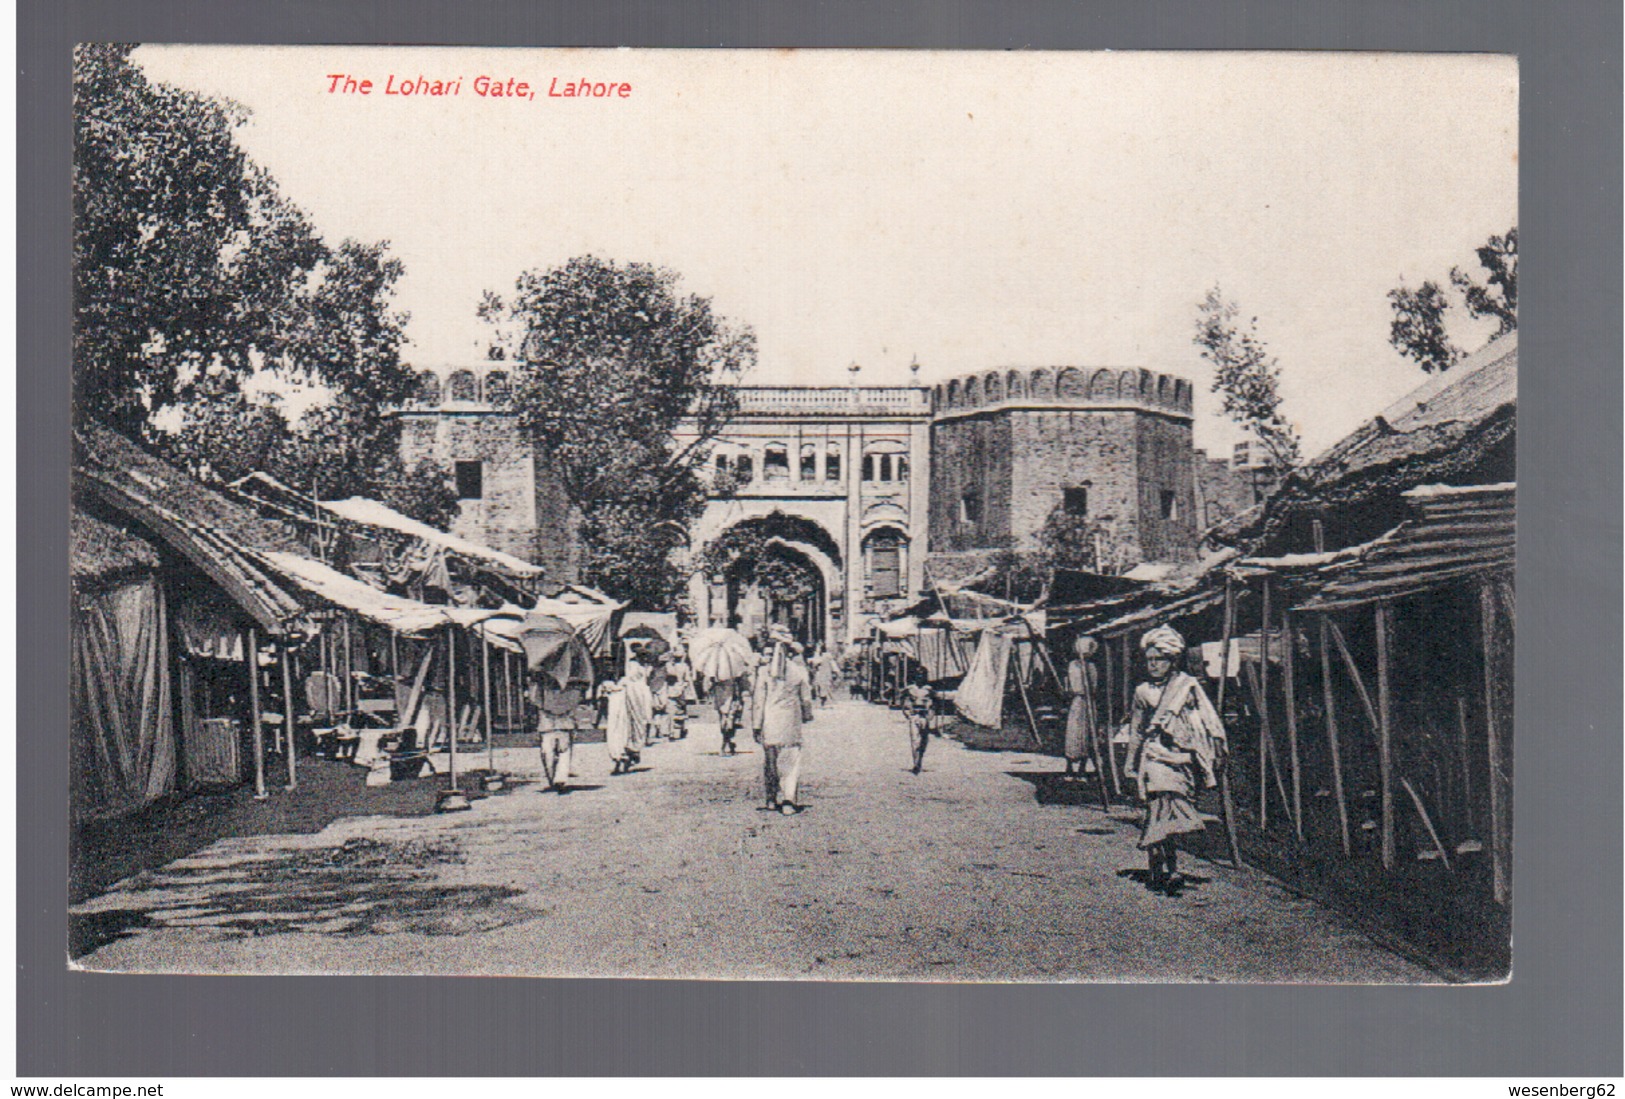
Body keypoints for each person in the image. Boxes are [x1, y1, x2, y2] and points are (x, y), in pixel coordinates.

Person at [1123, 625, 1228, 894]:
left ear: (1172, 660)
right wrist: (1130, 762)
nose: (1153, 665)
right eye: (1149, 660)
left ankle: (1161, 867)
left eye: (1158, 659)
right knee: (1160, 806)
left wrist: (1213, 747)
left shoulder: (1188, 686)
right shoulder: (1142, 691)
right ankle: (1171, 871)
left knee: (1166, 814)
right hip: (1155, 756)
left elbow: (1207, 720)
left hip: (1182, 759)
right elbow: (1136, 729)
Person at [752, 625, 815, 814]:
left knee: (770, 760)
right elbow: (806, 698)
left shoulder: (764, 672)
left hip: (770, 720)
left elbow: (758, 701)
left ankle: (771, 798)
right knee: (791, 759)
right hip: (791, 720)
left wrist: (756, 724)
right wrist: (807, 715)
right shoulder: (798, 671)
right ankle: (788, 799)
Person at [604, 656, 655, 775]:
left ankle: (627, 757)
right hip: (620, 713)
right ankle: (620, 759)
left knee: (629, 734)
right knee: (619, 734)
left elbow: (644, 711)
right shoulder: (623, 684)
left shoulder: (639, 686)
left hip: (631, 714)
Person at [533, 680, 585, 794]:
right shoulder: (541, 686)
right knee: (547, 753)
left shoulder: (571, 688)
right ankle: (552, 779)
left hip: (563, 724)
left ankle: (560, 780)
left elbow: (574, 704)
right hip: (548, 724)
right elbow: (535, 701)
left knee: (564, 752)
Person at [1063, 636, 1102, 781]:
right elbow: (1074, 686)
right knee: (1074, 732)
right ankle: (1070, 767)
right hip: (1078, 701)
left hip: (1088, 702)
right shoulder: (1073, 665)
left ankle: (1082, 769)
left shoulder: (1091, 667)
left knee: (1087, 734)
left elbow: (1093, 686)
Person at [901, 668, 936, 774]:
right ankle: (916, 763)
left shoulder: (929, 690)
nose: (920, 677)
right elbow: (905, 702)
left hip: (924, 716)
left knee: (924, 740)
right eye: (918, 675)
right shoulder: (910, 689)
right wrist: (908, 713)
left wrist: (930, 714)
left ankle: (920, 759)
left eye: (922, 675)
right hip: (914, 715)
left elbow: (933, 704)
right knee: (915, 739)